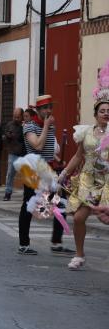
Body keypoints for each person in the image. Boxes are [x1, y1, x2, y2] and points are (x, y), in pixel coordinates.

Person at [59, 63, 109, 270]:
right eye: (103, 110)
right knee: (79, 217)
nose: (106, 113)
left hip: (107, 180)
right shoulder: (86, 132)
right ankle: (79, 255)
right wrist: (63, 173)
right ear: (96, 113)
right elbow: (78, 156)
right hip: (87, 179)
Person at [18, 95, 74, 256]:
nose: (49, 110)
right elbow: (38, 145)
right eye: (45, 108)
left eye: (50, 107)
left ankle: (56, 243)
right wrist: (46, 126)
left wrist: (58, 163)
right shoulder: (29, 126)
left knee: (60, 204)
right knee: (28, 206)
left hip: (49, 170)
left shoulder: (49, 125)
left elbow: (49, 149)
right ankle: (23, 244)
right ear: (38, 110)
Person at [3, 108, 26, 201]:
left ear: (22, 116)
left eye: (18, 117)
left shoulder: (25, 125)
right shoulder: (9, 124)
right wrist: (7, 136)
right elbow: (5, 135)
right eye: (15, 116)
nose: (16, 118)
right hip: (13, 152)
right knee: (10, 174)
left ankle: (27, 193)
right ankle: (8, 193)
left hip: (24, 153)